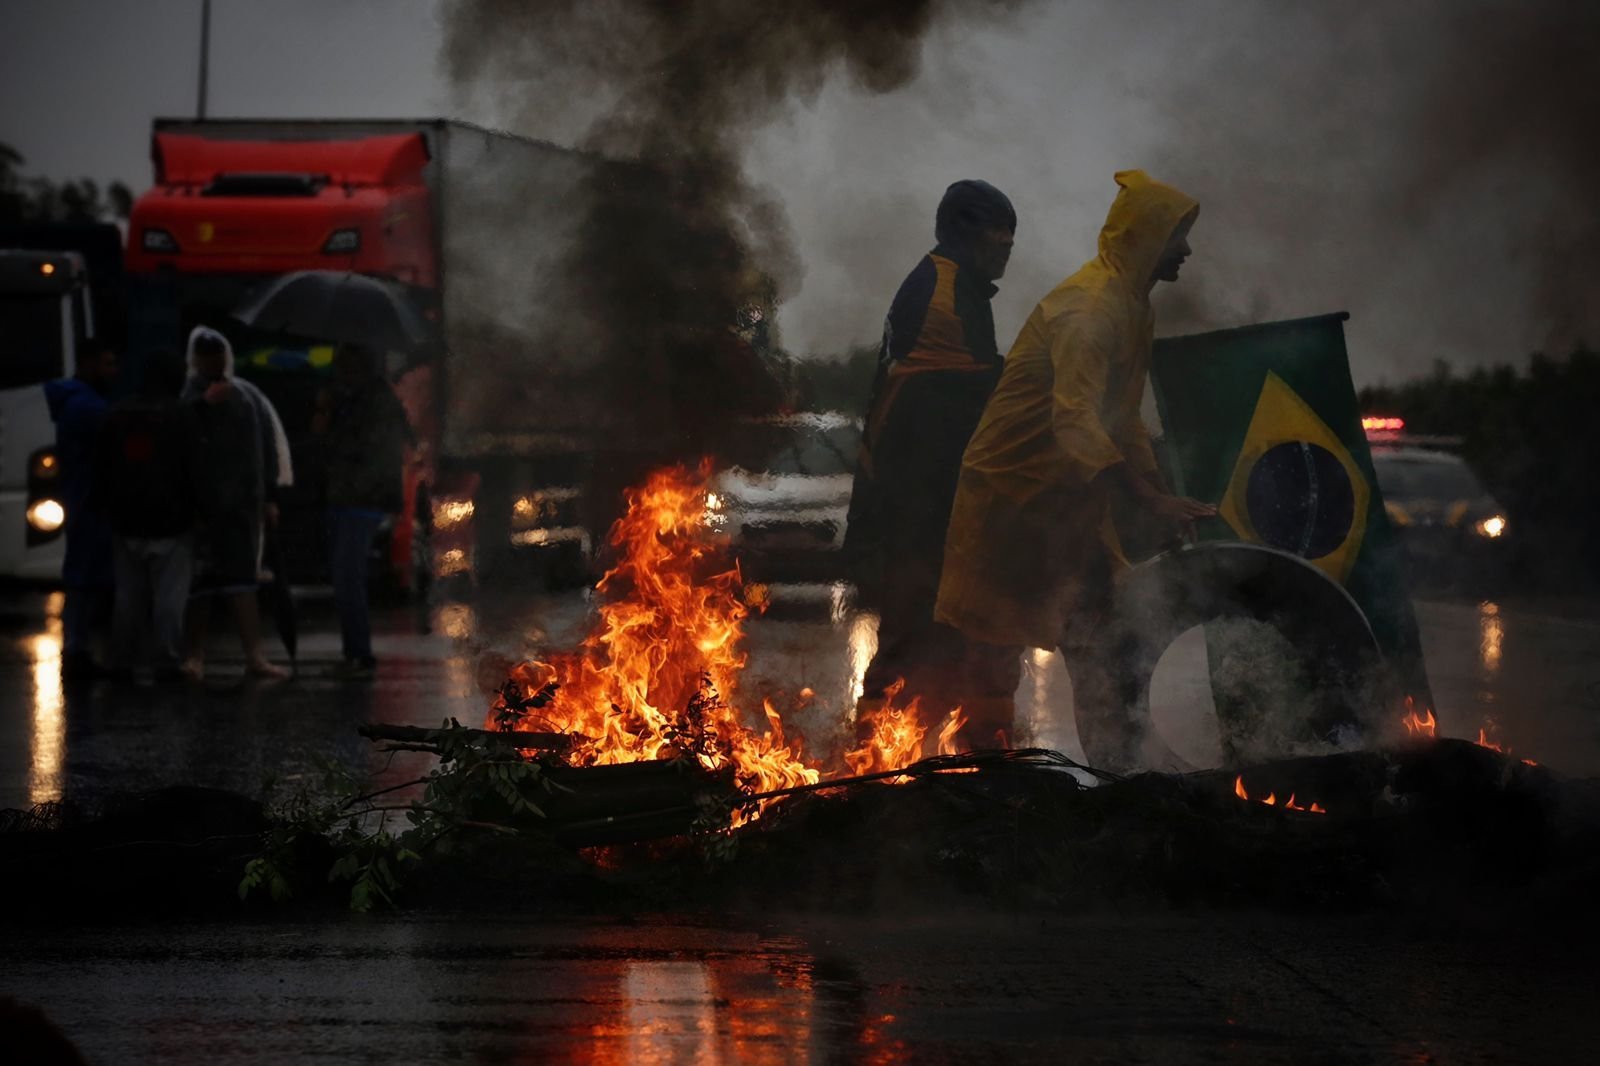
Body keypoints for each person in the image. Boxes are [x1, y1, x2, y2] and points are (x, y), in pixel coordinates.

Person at [936, 170, 1216, 770]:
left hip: (1064, 508)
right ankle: (980, 789)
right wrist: (1146, 498)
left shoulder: (1131, 307)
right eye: (1176, 237)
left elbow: (1123, 422)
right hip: (1010, 505)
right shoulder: (1089, 311)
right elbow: (1077, 423)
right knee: (993, 657)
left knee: (1104, 641)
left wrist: (1162, 500)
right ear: (1145, 240)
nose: (1187, 251)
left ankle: (1114, 779)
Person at [842, 179, 1017, 745]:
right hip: (921, 509)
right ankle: (876, 764)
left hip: (920, 505)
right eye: (999, 232)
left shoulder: (952, 285)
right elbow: (980, 396)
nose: (1008, 245)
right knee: (923, 637)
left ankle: (953, 758)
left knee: (943, 636)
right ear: (964, 232)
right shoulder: (942, 294)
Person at [181, 327, 290, 680]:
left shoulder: (245, 396)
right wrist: (203, 405)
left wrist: (269, 496)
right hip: (200, 507)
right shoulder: (189, 397)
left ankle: (254, 656)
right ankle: (194, 656)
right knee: (201, 585)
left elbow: (265, 449)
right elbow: (178, 437)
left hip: (242, 507)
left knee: (243, 582)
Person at [312, 342, 415, 678]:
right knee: (345, 577)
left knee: (348, 577)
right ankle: (354, 651)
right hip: (348, 498)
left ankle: (359, 653)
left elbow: (362, 450)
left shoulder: (373, 402)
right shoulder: (360, 400)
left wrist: (331, 421)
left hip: (361, 501)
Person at [97, 348, 201, 679]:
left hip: (126, 518)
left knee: (128, 597)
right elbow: (194, 470)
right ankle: (166, 660)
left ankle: (122, 659)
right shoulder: (182, 416)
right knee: (169, 601)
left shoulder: (118, 415)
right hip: (172, 521)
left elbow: (104, 468)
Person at [44, 339, 118, 679]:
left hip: (82, 499)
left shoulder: (74, 403)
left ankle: (78, 646)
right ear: (88, 364)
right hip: (90, 501)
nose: (112, 371)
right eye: (106, 363)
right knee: (86, 577)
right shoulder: (87, 408)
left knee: (81, 575)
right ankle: (78, 648)